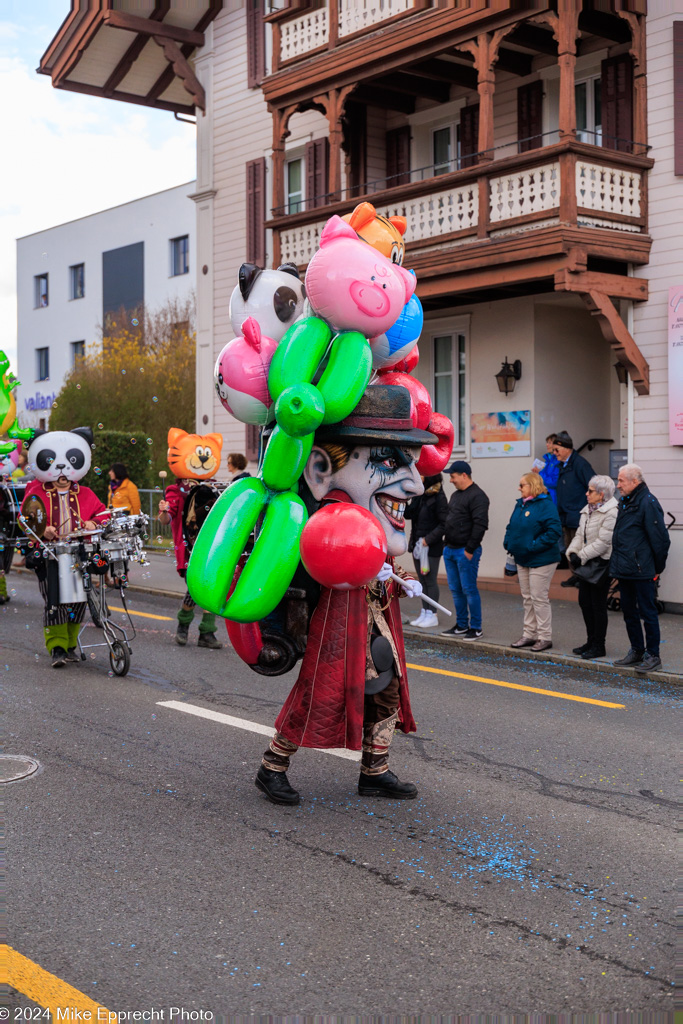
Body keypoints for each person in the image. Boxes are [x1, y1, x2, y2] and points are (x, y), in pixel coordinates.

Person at [255, 384, 437, 806]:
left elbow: (376, 556)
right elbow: (328, 560)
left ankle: (375, 770)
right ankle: (272, 766)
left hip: (372, 612)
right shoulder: (329, 509)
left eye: (410, 462)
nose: (414, 485)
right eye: (390, 460)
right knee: (320, 690)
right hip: (336, 615)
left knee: (387, 686)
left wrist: (395, 577)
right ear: (321, 468)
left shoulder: (367, 506)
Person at [21, 428, 108, 667]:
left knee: (79, 600)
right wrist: (43, 529)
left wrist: (94, 522)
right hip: (50, 555)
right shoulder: (35, 491)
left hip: (79, 553)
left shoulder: (87, 493)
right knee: (54, 600)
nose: (61, 470)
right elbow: (25, 518)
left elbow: (104, 514)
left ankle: (70, 643)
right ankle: (57, 647)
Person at [158, 428, 224, 650]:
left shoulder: (214, 488)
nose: (203, 458)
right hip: (189, 549)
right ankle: (185, 625)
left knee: (210, 587)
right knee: (196, 589)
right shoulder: (175, 490)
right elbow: (167, 520)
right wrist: (164, 511)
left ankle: (205, 632)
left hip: (211, 547)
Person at [609, 464, 670, 673]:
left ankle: (653, 655)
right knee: (629, 612)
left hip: (642, 568)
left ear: (635, 481)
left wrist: (657, 567)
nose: (618, 486)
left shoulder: (647, 501)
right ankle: (637, 650)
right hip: (626, 568)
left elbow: (661, 539)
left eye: (621, 481)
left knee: (648, 612)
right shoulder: (626, 501)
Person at [504, 472, 562, 652]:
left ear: (533, 486)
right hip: (523, 558)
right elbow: (511, 526)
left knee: (538, 598)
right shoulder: (520, 504)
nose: (519, 488)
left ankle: (545, 637)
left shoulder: (545, 505)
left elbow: (554, 532)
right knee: (528, 598)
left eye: (522, 485)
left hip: (542, 559)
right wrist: (508, 542)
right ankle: (529, 634)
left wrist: (533, 545)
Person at [566, 475, 619, 659]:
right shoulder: (588, 510)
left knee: (598, 606)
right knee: (584, 602)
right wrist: (572, 551)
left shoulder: (611, 512)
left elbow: (604, 542)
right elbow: (580, 535)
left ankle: (599, 645)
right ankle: (590, 641)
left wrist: (580, 556)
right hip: (587, 562)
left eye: (590, 491)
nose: (586, 493)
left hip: (602, 564)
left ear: (601, 494)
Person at [440, 460, 489, 641]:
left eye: (453, 476)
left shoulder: (478, 496)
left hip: (465, 552)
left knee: (469, 589)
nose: (451, 480)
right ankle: (461, 625)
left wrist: (470, 549)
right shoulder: (456, 495)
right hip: (451, 549)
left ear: (464, 475)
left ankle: (475, 628)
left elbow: (480, 524)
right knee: (456, 589)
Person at [405, 472, 447, 629]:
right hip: (417, 545)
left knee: (430, 580)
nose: (419, 476)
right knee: (422, 581)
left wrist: (427, 539)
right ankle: (425, 611)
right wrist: (408, 497)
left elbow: (444, 524)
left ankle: (432, 614)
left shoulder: (438, 497)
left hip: (430, 547)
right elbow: (408, 514)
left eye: (422, 474)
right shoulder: (421, 495)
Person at [553, 431, 594, 587]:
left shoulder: (580, 464)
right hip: (566, 514)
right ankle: (575, 576)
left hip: (577, 513)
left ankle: (582, 577)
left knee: (579, 547)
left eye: (557, 450)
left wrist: (585, 506)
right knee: (570, 547)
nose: (554, 453)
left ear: (566, 448)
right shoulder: (564, 465)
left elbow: (593, 484)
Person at [538, 433, 559, 504]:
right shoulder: (548, 460)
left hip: (554, 497)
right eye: (547, 442)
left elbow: (554, 482)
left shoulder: (558, 461)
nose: (547, 445)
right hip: (545, 496)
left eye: (549, 443)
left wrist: (540, 473)